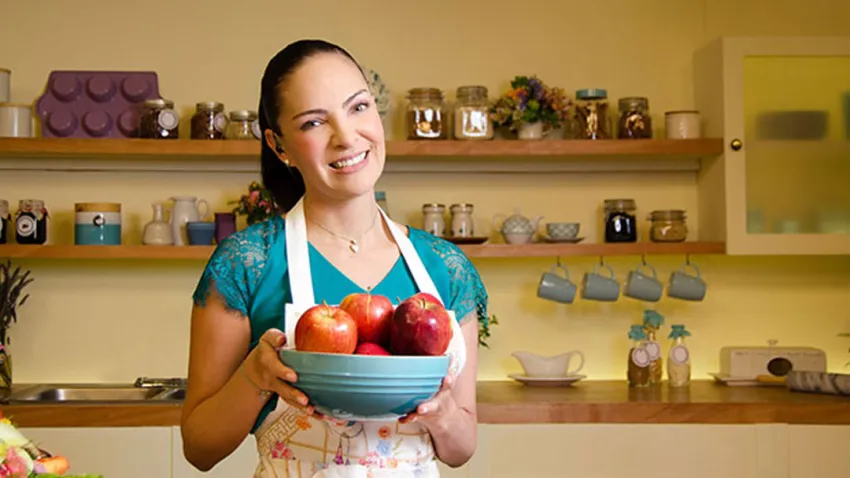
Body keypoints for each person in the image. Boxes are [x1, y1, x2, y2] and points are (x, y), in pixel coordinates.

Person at [180, 39, 489, 478]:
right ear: (279, 144)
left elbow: (461, 448)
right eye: (313, 122)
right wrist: (255, 377)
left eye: (359, 107)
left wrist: (439, 413)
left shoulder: (445, 267)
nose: (347, 136)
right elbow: (199, 447)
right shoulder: (247, 264)